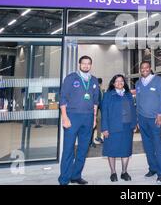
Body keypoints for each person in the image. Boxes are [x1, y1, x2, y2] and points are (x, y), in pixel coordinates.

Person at [58, 55, 100, 185]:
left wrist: (94, 119)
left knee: (83, 149)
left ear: (91, 65)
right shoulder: (71, 78)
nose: (86, 66)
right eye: (84, 63)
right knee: (68, 148)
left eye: (88, 63)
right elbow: (63, 99)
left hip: (88, 118)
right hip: (72, 116)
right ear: (79, 64)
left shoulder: (94, 80)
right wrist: (64, 117)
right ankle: (64, 179)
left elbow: (95, 102)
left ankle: (76, 175)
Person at [135, 61, 161, 183]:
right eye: (142, 68)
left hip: (154, 119)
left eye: (146, 68)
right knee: (147, 146)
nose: (144, 69)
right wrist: (137, 118)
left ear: (150, 68)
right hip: (142, 118)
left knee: (157, 145)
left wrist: (160, 115)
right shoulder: (138, 83)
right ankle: (152, 168)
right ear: (140, 69)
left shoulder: (157, 80)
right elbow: (137, 102)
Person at [101, 74, 137, 182]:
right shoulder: (108, 95)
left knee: (125, 150)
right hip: (112, 128)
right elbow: (104, 112)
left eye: (121, 81)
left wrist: (134, 124)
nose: (119, 83)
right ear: (113, 83)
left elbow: (133, 110)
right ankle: (113, 172)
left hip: (127, 127)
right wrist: (105, 128)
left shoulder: (128, 94)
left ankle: (124, 172)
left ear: (124, 83)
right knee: (111, 150)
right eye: (117, 81)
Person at [90, 78, 104, 148]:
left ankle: (98, 137)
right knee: (93, 125)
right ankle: (90, 141)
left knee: (99, 123)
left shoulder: (100, 89)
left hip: (99, 109)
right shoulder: (95, 89)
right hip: (95, 109)